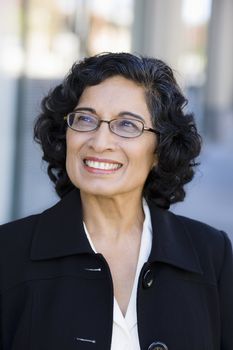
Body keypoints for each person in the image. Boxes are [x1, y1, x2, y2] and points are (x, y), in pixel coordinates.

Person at [0, 52, 232, 350]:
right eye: (85, 119)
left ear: (160, 149)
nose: (99, 142)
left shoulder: (212, 255)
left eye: (127, 125)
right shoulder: (8, 253)